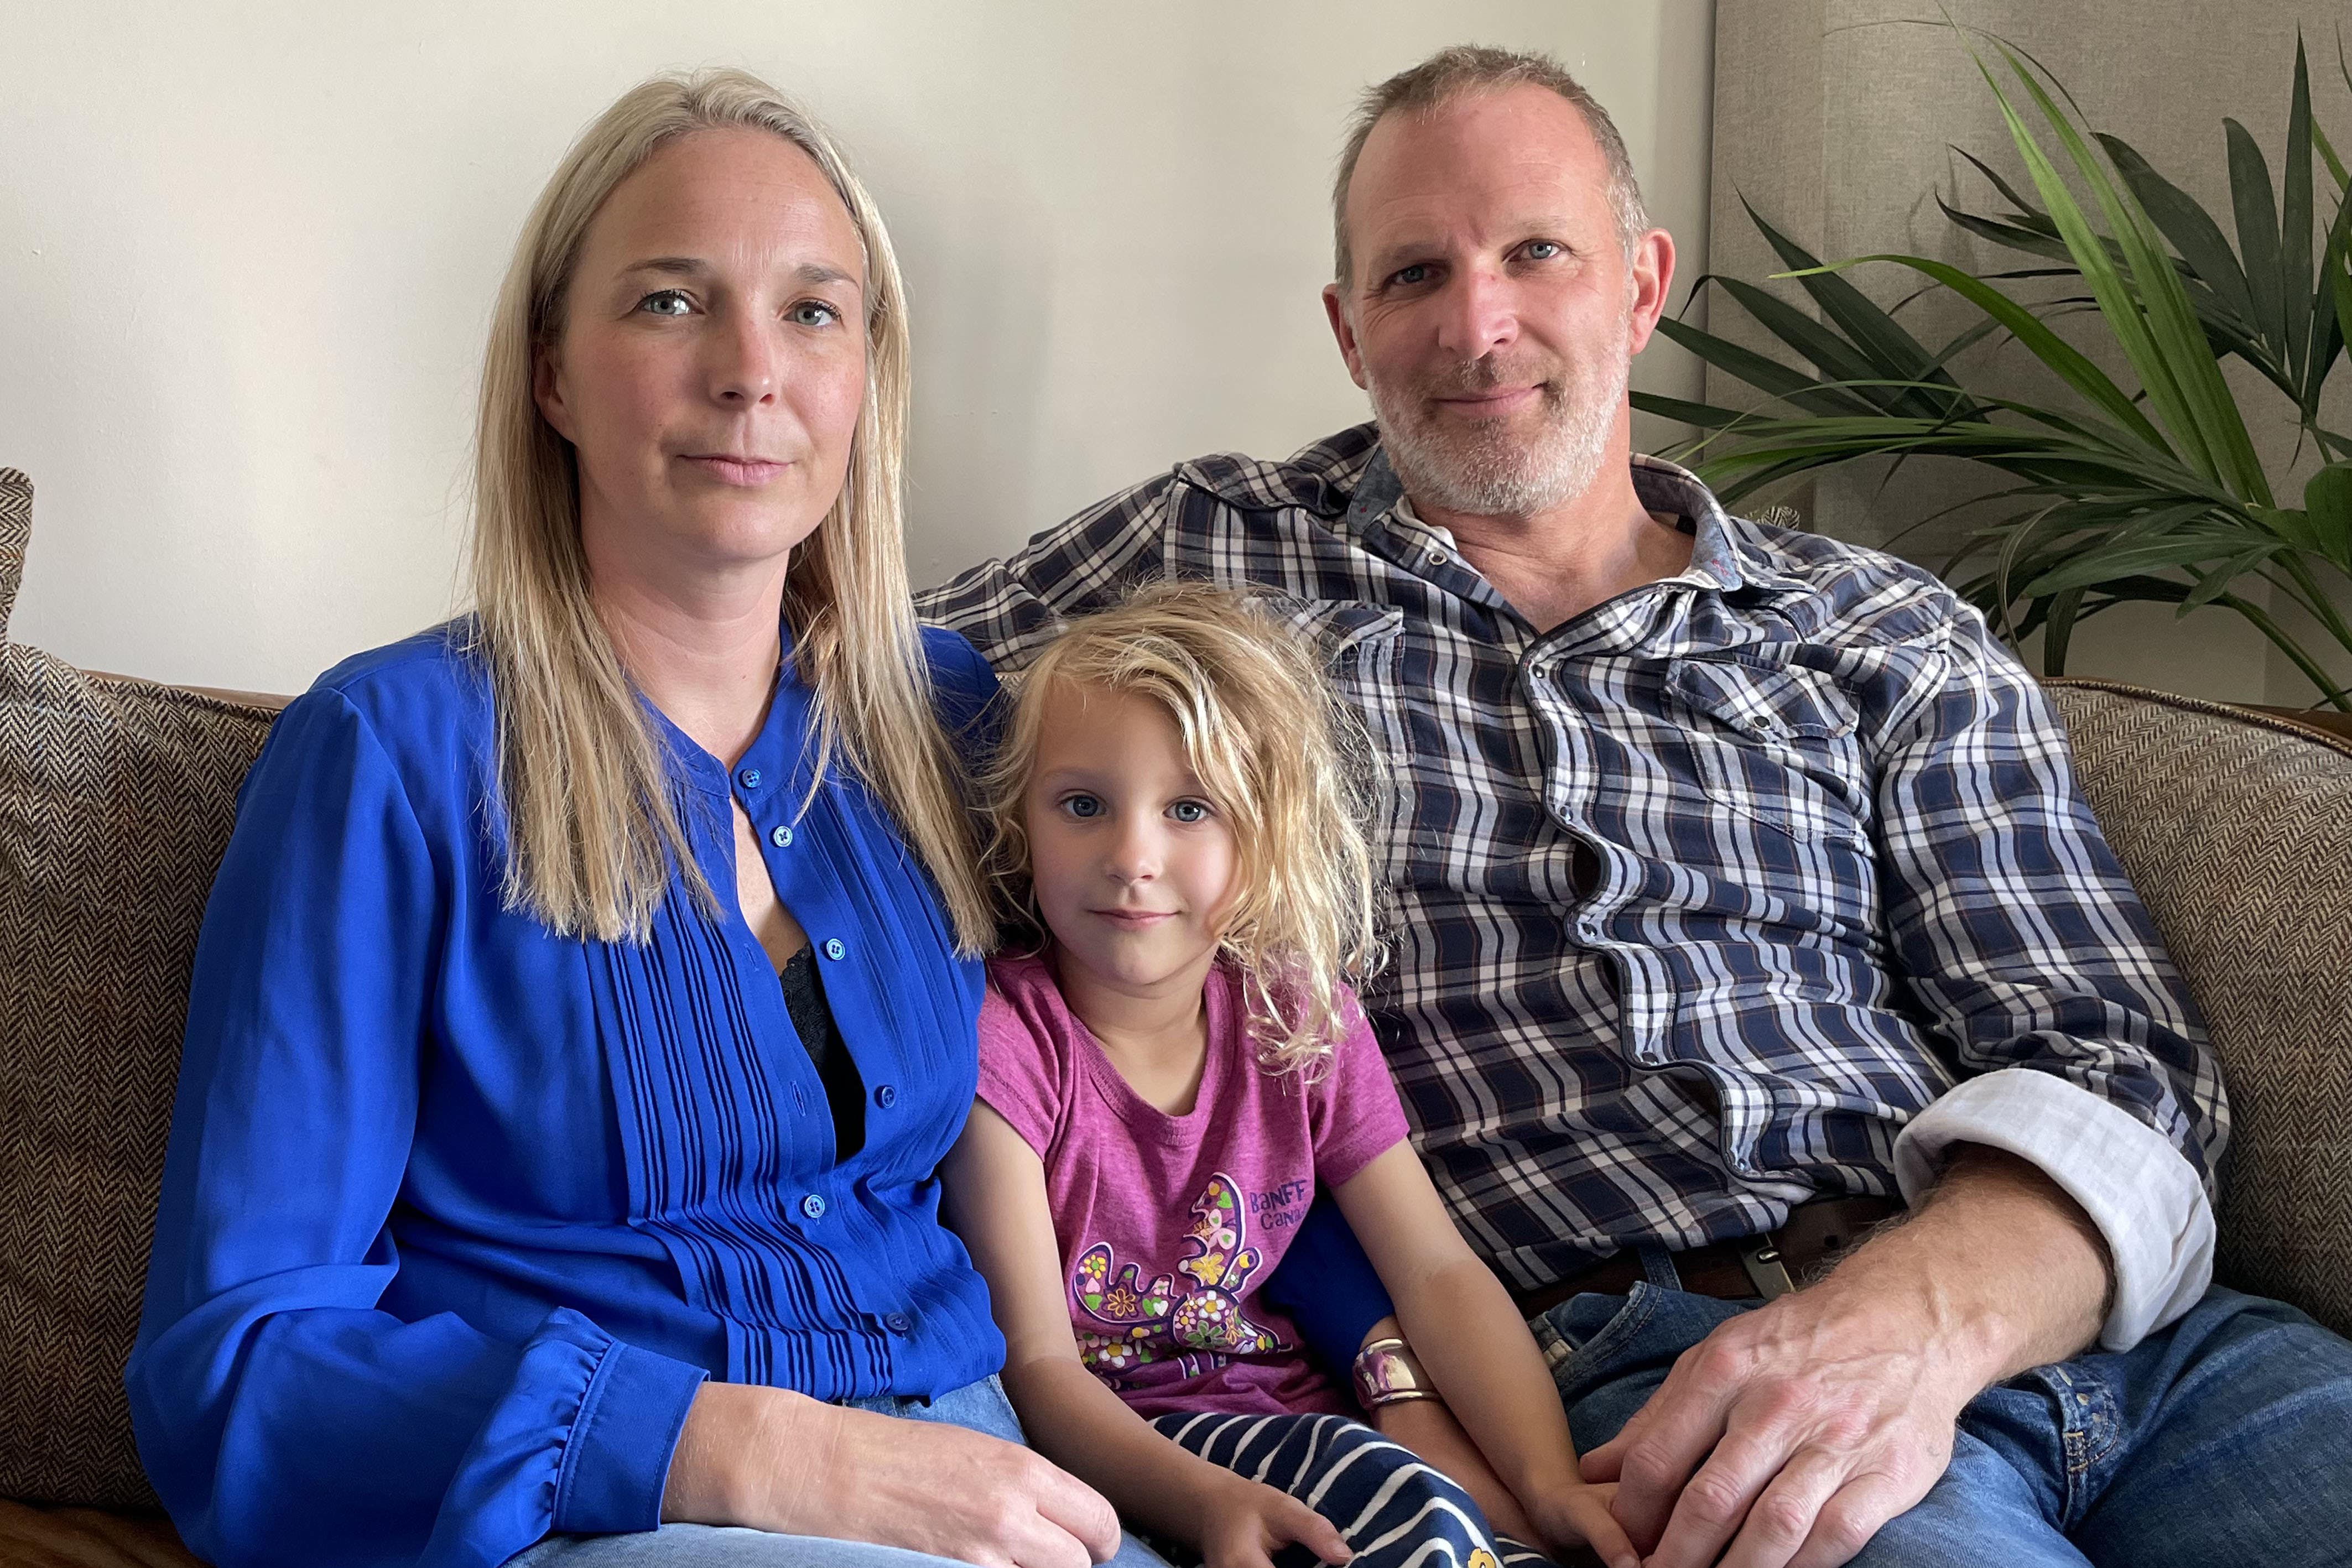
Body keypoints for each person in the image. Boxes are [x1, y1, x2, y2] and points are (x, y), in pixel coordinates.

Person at [917, 43, 2352, 1568]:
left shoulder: (1873, 626)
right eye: (1413, 274)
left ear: (1641, 281)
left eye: (1536, 250)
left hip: (2125, 1345)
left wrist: (1913, 1323)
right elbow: (804, 660)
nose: (1478, 325)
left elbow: (2119, 1057)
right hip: (1661, 1381)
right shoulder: (1214, 550)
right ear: (1347, 331)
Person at [128, 69, 1152, 1568]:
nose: (752, 371)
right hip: (620, 1510)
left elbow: (1194, 1082)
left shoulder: (951, 721)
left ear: (869, 371)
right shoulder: (388, 755)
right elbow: (236, 1367)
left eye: (813, 310)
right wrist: (736, 1445)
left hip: (993, 1469)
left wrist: (1391, 1367)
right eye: (672, 303)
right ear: (550, 374)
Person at [939, 583, 1636, 1568]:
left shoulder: (1296, 1015)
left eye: (1191, 809)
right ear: (1022, 821)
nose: (1132, 856)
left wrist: (1549, 1484)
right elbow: (1042, 1368)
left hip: (1318, 1427)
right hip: (1138, 1455)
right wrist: (1211, 1504)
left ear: (1266, 836)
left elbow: (1435, 1272)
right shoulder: (1003, 1039)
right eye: (1083, 805)